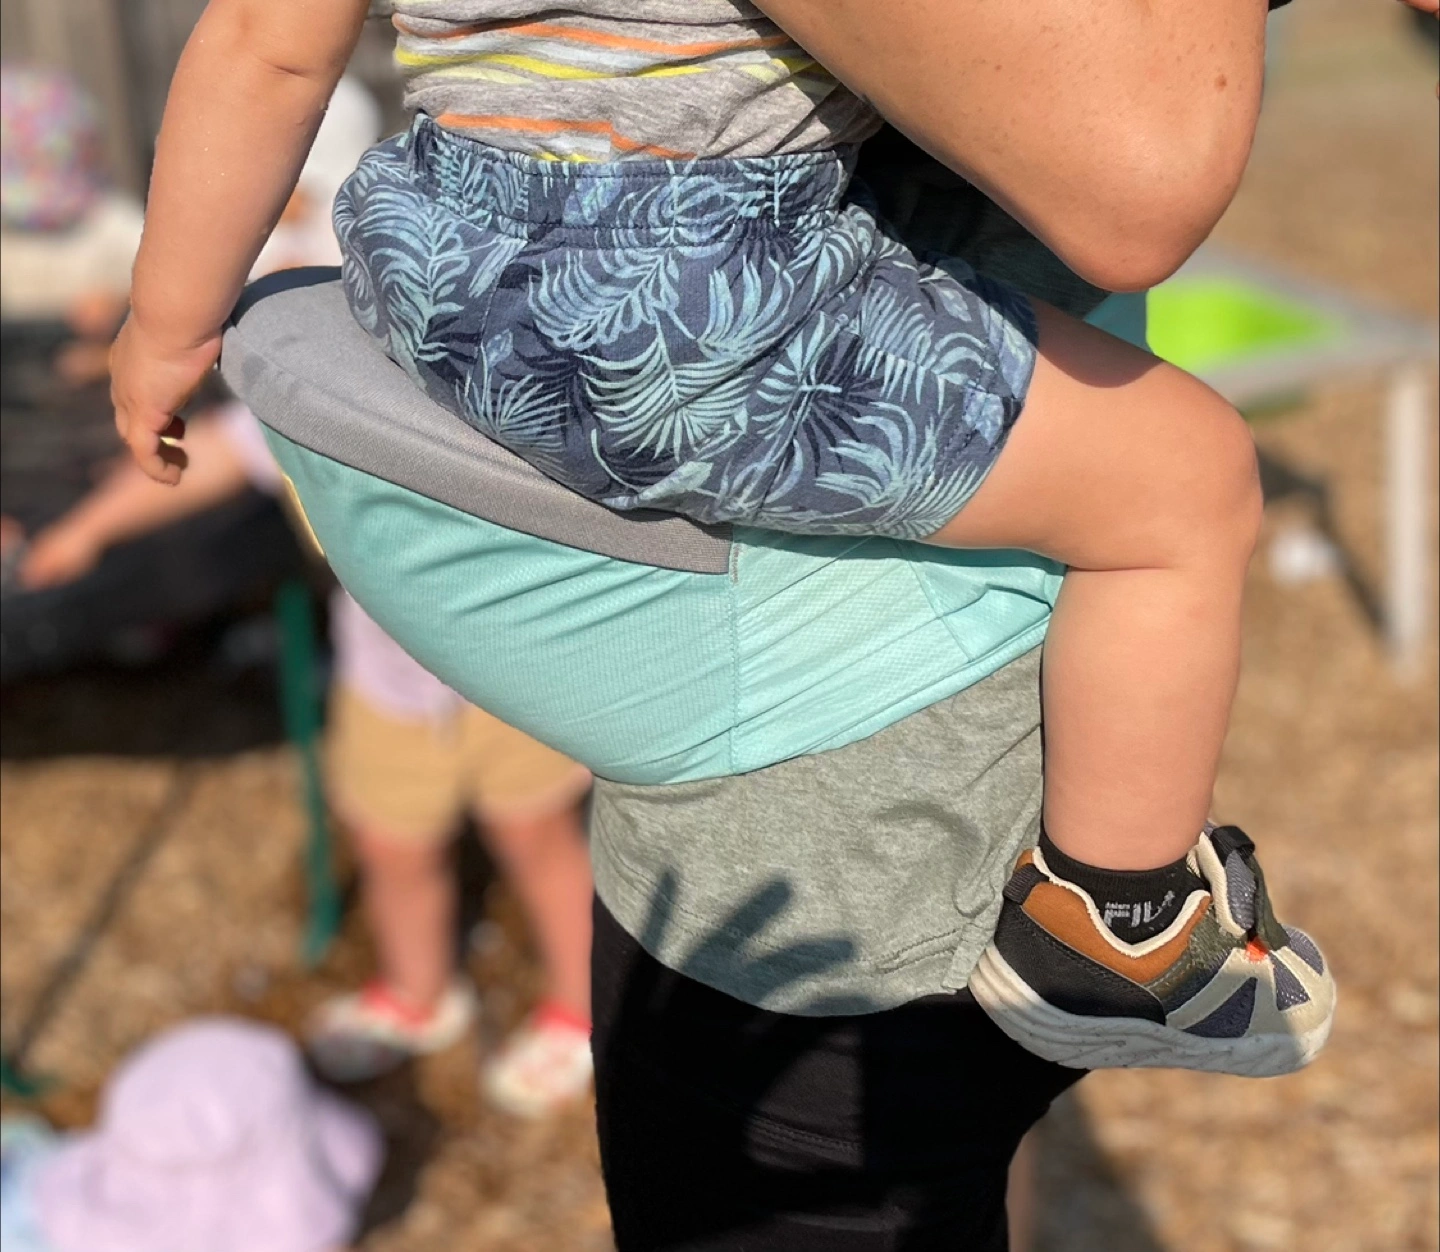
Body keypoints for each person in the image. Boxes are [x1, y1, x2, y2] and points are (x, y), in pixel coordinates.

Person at [107, 0, 1341, 1078]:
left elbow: (263, 48)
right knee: (1187, 478)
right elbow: (1118, 168)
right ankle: (1115, 919)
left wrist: (165, 323)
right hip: (693, 293)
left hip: (436, 248)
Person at [20, 78, 598, 1119]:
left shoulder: (454, 370)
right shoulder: (302, 399)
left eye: (296, 222)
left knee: (537, 838)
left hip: (507, 669)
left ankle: (579, 1007)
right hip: (385, 678)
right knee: (392, 843)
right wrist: (88, 528)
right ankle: (419, 992)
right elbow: (222, 455)